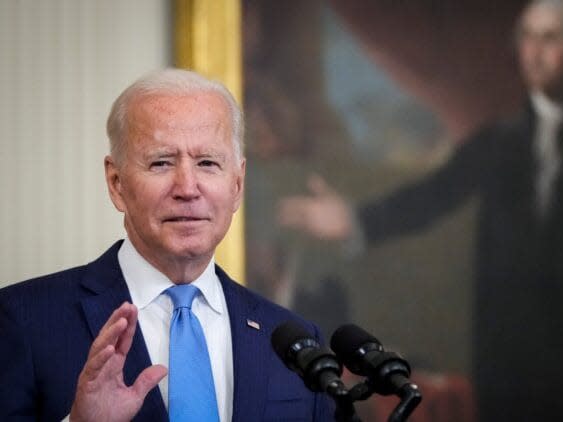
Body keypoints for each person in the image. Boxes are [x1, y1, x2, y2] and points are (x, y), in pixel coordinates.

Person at [278, 1, 563, 420]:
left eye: (550, 38)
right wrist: (355, 220)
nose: (535, 51)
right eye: (527, 38)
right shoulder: (498, 144)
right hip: (510, 368)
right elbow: (433, 196)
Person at [0, 69, 333, 421]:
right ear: (116, 184)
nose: (187, 188)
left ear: (237, 185)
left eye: (208, 163)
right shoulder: (22, 320)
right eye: (161, 163)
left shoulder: (294, 342)